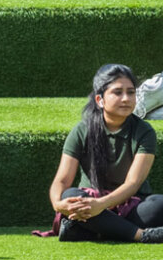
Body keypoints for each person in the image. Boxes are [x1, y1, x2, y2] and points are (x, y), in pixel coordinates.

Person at [48, 64, 163, 243]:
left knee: (158, 205)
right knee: (70, 195)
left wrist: (101, 205)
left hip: (130, 203)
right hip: (90, 199)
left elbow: (133, 183)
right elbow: (62, 180)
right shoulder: (82, 130)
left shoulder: (144, 131)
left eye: (131, 92)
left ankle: (89, 229)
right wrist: (58, 204)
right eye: (117, 92)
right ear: (100, 100)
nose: (126, 98)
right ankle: (141, 235)